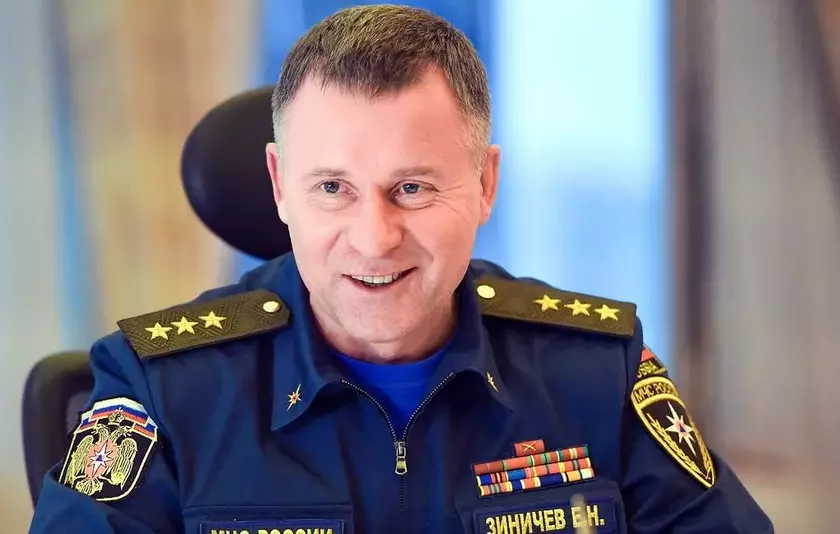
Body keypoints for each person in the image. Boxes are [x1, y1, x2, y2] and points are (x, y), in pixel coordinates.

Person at [29, 5, 772, 533]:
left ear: (484, 184)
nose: (374, 238)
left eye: (412, 188)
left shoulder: (595, 372)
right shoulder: (163, 386)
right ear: (280, 185)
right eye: (332, 188)